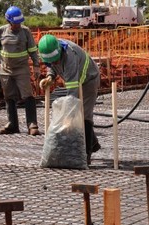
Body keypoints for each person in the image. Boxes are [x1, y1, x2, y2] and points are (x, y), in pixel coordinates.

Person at [38, 34, 102, 164]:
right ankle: (93, 143)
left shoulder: (69, 56)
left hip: (89, 80)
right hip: (76, 81)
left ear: (59, 51)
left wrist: (68, 115)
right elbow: (51, 63)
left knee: (84, 116)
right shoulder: (51, 50)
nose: (54, 63)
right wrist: (50, 76)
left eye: (55, 60)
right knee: (77, 115)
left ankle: (85, 154)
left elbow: (72, 91)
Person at [0, 6, 41, 135]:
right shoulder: (1, 31)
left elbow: (33, 50)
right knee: (9, 96)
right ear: (9, 21)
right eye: (15, 23)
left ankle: (32, 124)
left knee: (27, 95)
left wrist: (36, 65)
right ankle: (12, 124)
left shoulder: (25, 31)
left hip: (21, 69)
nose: (18, 25)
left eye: (19, 22)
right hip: (5, 69)